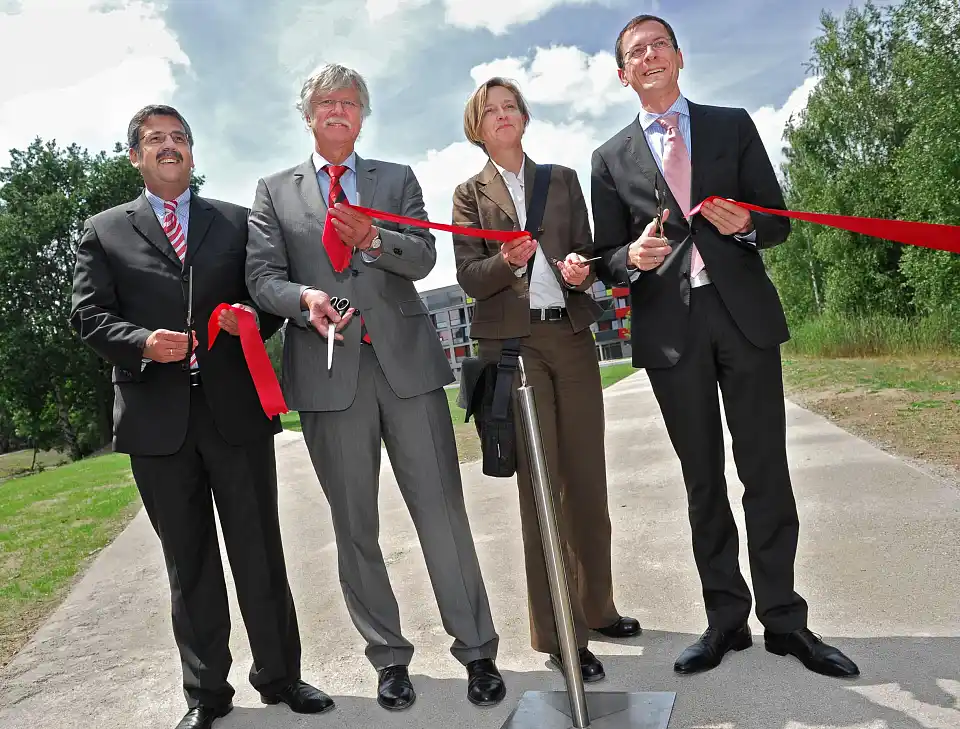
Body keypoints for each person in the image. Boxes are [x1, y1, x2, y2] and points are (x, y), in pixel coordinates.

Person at [590, 15, 860, 679]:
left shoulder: (731, 124)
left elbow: (778, 221)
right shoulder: (607, 158)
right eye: (635, 52)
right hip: (670, 333)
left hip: (743, 316)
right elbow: (603, 259)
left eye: (658, 45)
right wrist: (632, 254)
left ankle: (786, 621)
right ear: (622, 75)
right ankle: (726, 619)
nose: (648, 56)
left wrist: (746, 226)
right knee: (702, 479)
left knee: (766, 470)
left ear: (678, 58)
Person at [244, 63, 505, 711]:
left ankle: (477, 650)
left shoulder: (398, 179)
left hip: (408, 369)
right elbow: (260, 277)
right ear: (307, 115)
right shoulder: (274, 192)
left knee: (443, 515)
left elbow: (422, 256)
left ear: (363, 115)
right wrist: (304, 298)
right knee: (355, 526)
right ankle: (389, 658)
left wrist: (376, 237)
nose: (338, 111)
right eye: (326, 102)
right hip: (328, 377)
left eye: (350, 102)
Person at [68, 105, 334, 729]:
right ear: (135, 156)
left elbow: (266, 296)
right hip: (156, 424)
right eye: (154, 139)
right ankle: (207, 695)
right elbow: (86, 314)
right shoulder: (104, 230)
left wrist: (241, 330)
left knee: (260, 551)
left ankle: (282, 676)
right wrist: (140, 342)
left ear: (192, 152)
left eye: (179, 137)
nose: (169, 147)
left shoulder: (237, 222)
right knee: (188, 564)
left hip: (235, 415)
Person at [450, 77, 641, 683]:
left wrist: (581, 269)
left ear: (526, 118)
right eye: (491, 110)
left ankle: (598, 607)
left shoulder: (560, 179)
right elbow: (469, 277)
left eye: (511, 106)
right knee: (542, 493)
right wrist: (505, 262)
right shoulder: (467, 194)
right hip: (515, 345)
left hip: (571, 337)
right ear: (476, 126)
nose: (503, 116)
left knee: (588, 481)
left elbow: (586, 253)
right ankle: (561, 631)